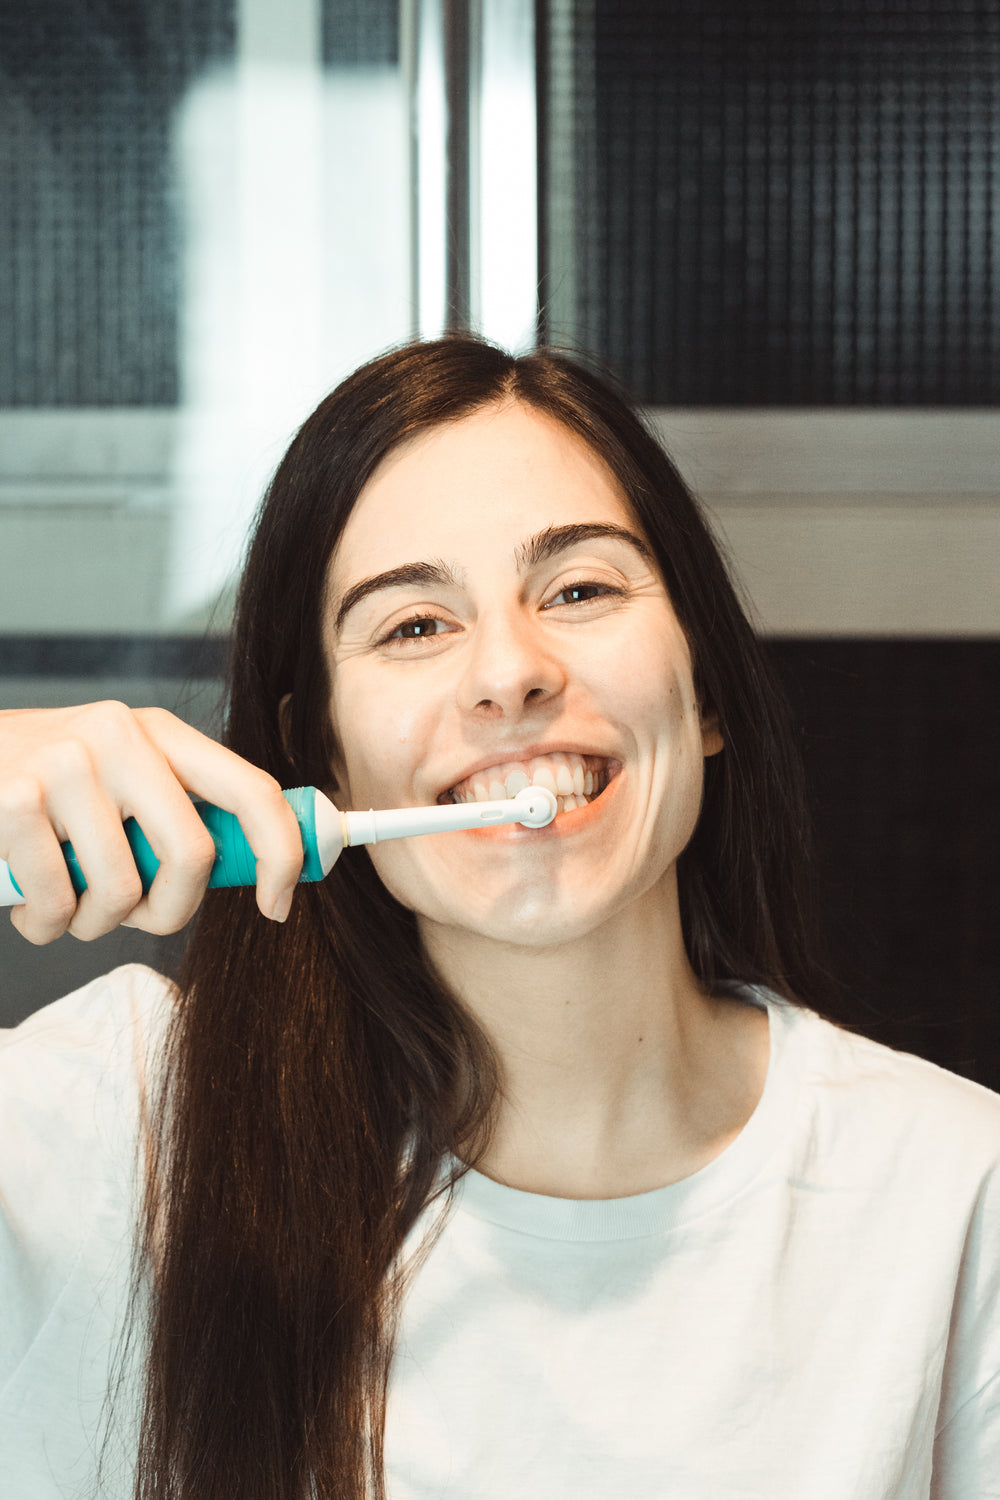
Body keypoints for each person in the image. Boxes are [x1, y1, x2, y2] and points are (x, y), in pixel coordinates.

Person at [0, 336, 997, 1500]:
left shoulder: (951, 1195)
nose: (509, 674)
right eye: (413, 625)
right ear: (320, 751)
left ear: (706, 689)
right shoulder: (100, 1131)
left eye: (578, 590)